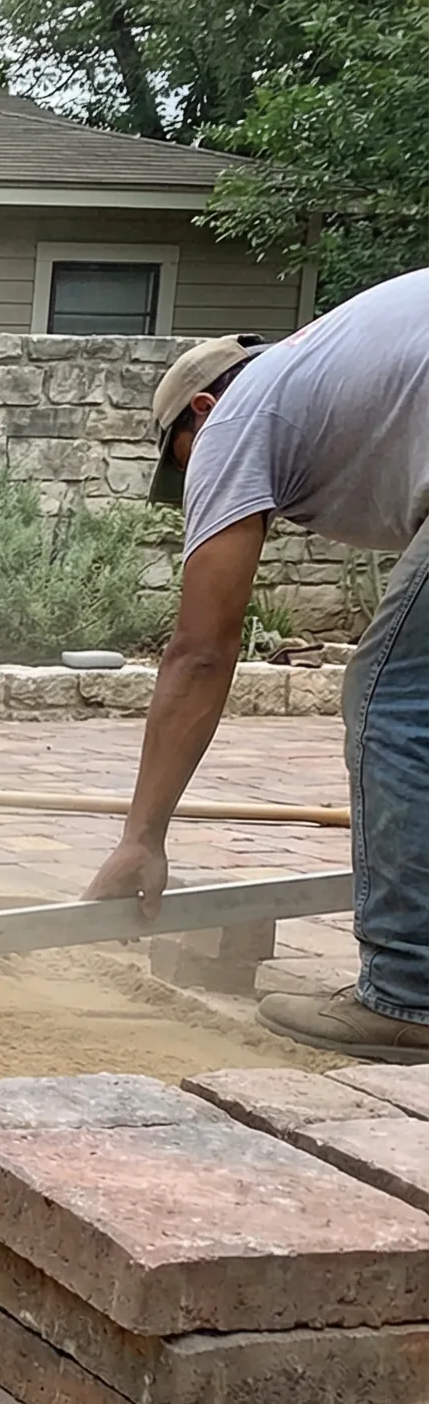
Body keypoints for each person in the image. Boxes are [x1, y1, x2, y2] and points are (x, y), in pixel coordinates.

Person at [85, 267, 429, 1061]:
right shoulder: (330, 380)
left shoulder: (237, 416)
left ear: (201, 411)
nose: (196, 488)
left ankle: (409, 994)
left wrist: (142, 836)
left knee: (390, 700)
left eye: (183, 462)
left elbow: (202, 652)